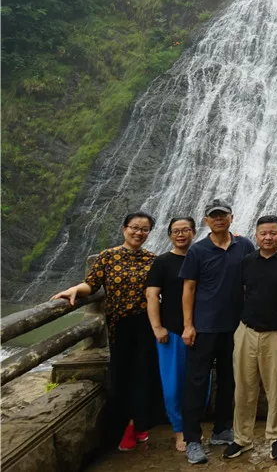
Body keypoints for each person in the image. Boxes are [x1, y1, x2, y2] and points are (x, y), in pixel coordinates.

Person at [52, 212, 159, 453]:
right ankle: (128, 425)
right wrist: (74, 290)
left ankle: (135, 426)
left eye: (144, 229)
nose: (139, 232)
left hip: (145, 324)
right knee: (121, 375)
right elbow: (92, 284)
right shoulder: (107, 257)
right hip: (118, 325)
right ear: (124, 229)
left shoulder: (153, 259)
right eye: (134, 227)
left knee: (144, 375)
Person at [179, 199, 256, 465]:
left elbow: (257, 272)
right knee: (196, 383)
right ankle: (192, 440)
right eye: (214, 216)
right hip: (204, 327)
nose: (219, 219)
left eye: (223, 215)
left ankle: (222, 429)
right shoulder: (197, 251)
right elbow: (188, 290)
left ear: (231, 218)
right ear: (206, 221)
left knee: (229, 380)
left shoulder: (244, 245)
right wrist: (188, 325)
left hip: (235, 327)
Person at [223, 215, 277, 461]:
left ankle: (276, 438)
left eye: (273, 233)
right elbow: (242, 292)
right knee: (243, 388)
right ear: (256, 235)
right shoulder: (247, 262)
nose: (268, 237)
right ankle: (242, 439)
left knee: (276, 388)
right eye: (263, 233)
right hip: (247, 331)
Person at [146, 216, 197, 452]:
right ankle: (180, 431)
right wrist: (157, 327)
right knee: (173, 385)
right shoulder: (163, 262)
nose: (181, 234)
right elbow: (152, 296)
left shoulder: (201, 257)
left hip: (200, 331)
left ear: (194, 233)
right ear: (169, 235)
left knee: (199, 385)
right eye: (176, 231)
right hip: (172, 332)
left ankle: (193, 429)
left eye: (185, 230)